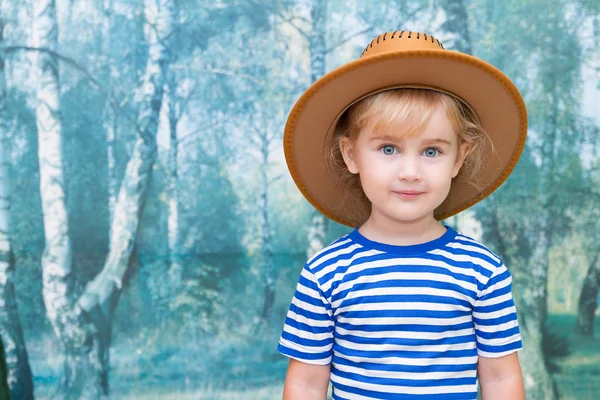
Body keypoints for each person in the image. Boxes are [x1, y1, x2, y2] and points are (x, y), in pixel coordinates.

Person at [277, 31, 527, 400]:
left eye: (431, 152)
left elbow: (501, 378)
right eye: (389, 148)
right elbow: (306, 382)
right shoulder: (326, 272)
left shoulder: (481, 270)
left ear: (459, 158)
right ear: (351, 155)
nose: (410, 171)